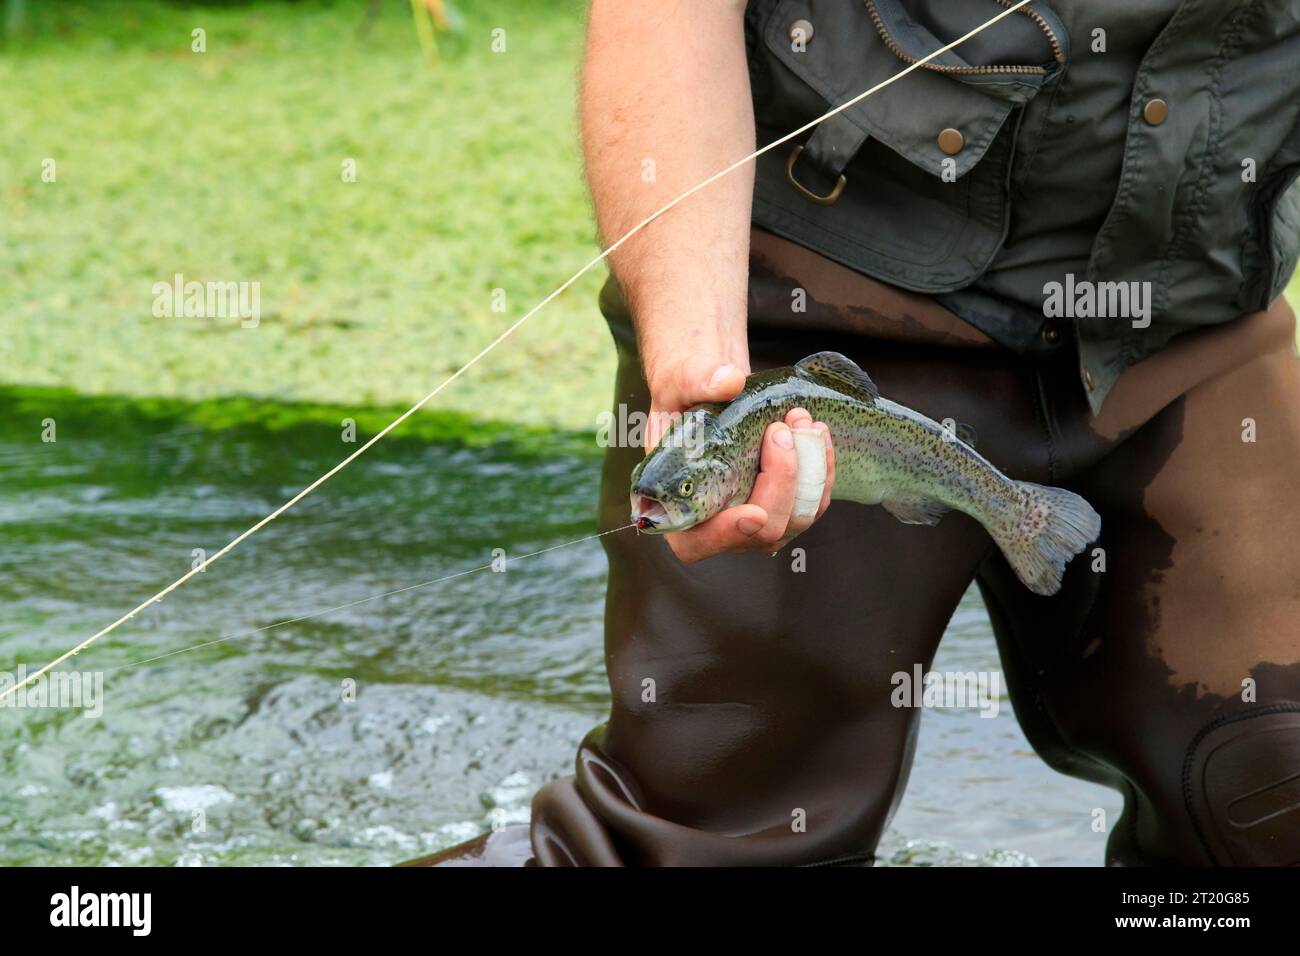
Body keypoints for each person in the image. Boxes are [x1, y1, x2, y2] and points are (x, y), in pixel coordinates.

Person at [410, 0, 1300, 866]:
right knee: (714, 828)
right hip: (822, 301)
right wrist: (696, 364)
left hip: (1193, 322)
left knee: (1270, 794)